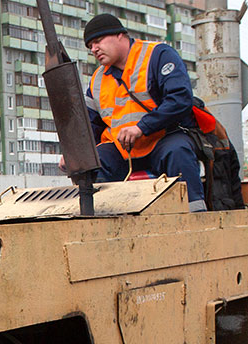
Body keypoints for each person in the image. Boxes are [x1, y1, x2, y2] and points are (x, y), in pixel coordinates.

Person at [80, 13, 207, 211]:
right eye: (90, 46)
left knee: (178, 152)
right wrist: (75, 156)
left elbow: (179, 99)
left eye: (98, 41)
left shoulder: (157, 56)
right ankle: (99, 222)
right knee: (93, 163)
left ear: (120, 35)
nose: (94, 49)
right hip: (123, 151)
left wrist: (142, 127)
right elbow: (90, 124)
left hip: (163, 140)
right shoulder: (97, 79)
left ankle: (195, 218)